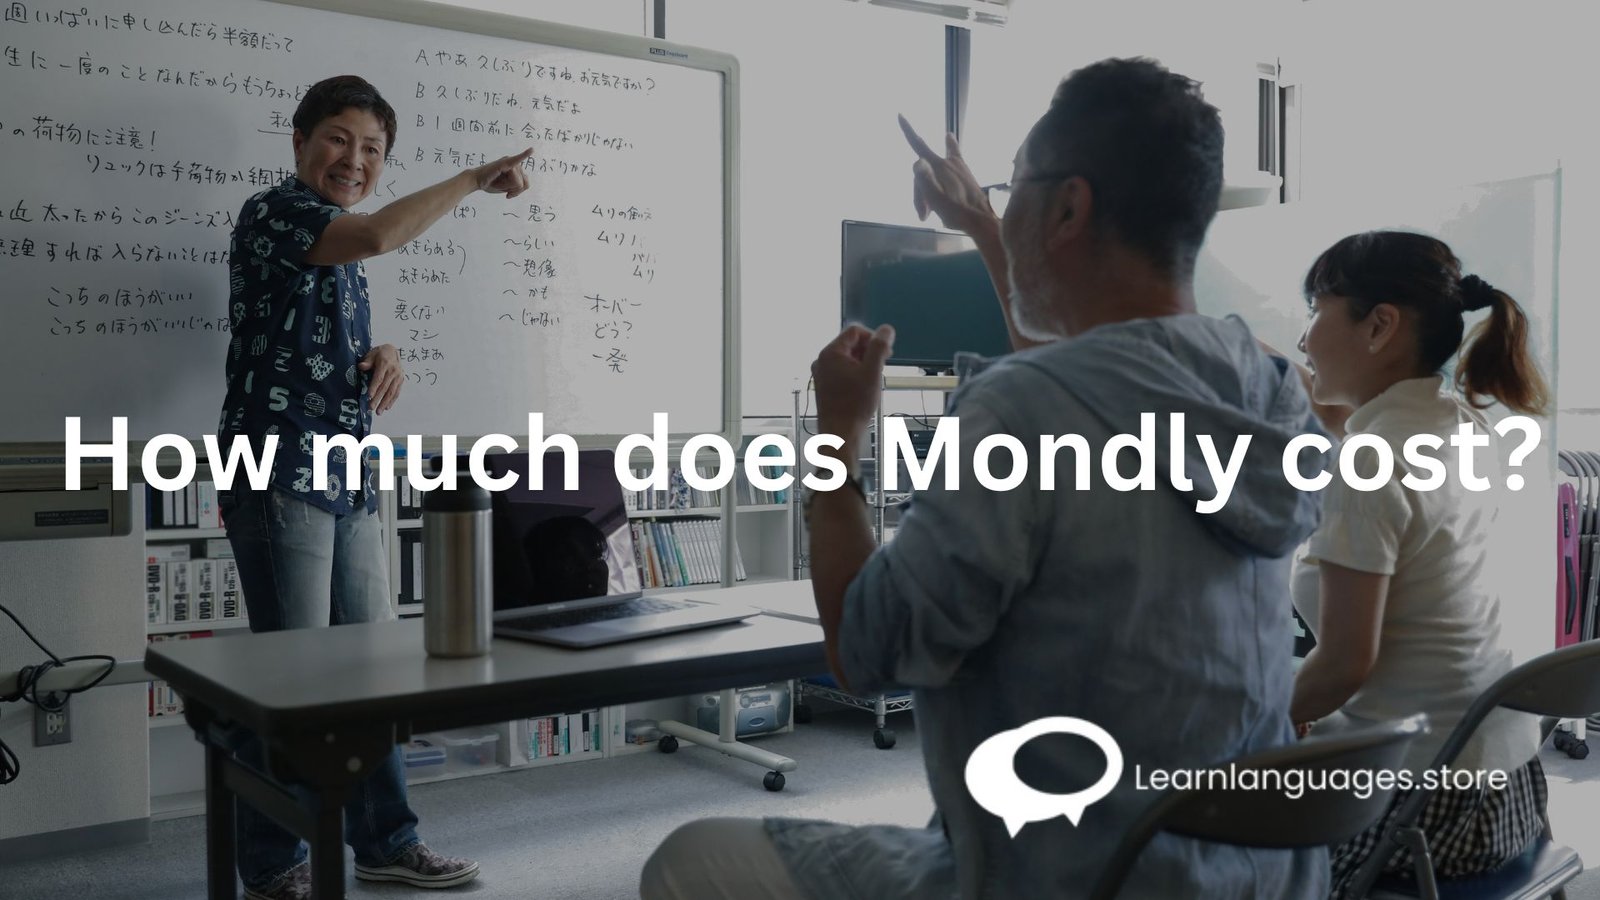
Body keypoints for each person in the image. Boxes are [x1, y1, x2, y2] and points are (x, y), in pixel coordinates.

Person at [640, 57, 1331, 900]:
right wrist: (979, 223)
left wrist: (836, 444)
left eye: (1014, 189)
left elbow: (866, 651)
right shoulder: (1269, 388)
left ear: (1069, 206)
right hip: (1249, 876)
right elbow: (1099, 385)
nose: (1006, 210)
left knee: (688, 861)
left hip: (1062, 877)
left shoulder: (1018, 410)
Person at [218, 74, 532, 900]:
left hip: (349, 474)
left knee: (373, 671)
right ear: (299, 142)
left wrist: (383, 351)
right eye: (338, 139)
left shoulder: (338, 245)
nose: (354, 159)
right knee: (295, 677)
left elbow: (316, 323)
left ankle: (387, 843)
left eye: (373, 149)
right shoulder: (277, 211)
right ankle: (272, 863)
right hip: (277, 469)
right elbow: (377, 235)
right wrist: (474, 178)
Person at [1285, 231, 1551, 897]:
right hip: (1504, 792)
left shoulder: (1369, 465)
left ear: (1379, 326)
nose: (1302, 339)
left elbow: (1343, 666)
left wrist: (1254, 721)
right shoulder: (1463, 422)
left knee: (1177, 801)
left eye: (1314, 310)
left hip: (1417, 815)